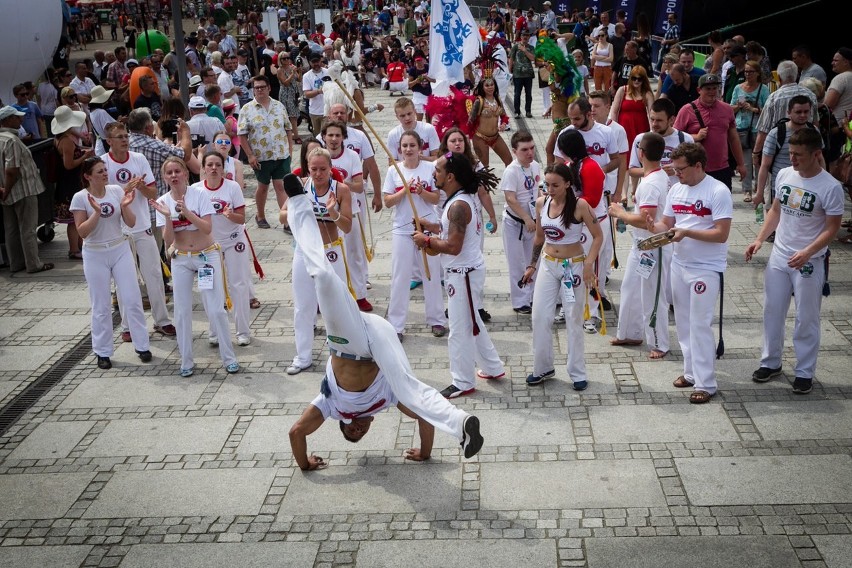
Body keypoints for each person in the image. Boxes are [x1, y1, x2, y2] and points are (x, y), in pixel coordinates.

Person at [283, 172, 484, 469]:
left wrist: (305, 464)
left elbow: (296, 432)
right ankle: (461, 424)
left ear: (343, 422)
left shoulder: (331, 404)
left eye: (351, 430)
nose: (358, 429)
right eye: (361, 433)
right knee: (412, 391)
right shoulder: (385, 398)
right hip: (379, 339)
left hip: (347, 338)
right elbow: (420, 415)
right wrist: (425, 453)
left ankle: (299, 202)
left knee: (323, 277)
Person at [745, 128, 843, 394]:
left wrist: (809, 252)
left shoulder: (830, 187)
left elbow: (832, 227)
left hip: (809, 262)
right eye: (790, 153)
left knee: (806, 318)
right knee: (772, 311)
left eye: (799, 155)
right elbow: (776, 210)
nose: (793, 160)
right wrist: (759, 239)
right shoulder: (786, 175)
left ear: (816, 154)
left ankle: (804, 371)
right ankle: (771, 361)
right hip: (779, 255)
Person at [412, 152, 506, 398]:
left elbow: (453, 245)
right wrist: (433, 227)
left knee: (459, 329)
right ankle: (492, 366)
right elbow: (451, 230)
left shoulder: (457, 206)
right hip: (466, 271)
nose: (434, 174)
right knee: (472, 321)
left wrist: (427, 239)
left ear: (450, 176)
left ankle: (462, 381)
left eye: (438, 171)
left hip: (462, 274)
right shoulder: (461, 199)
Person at [647, 143, 732, 404]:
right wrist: (654, 227)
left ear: (698, 166)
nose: (677, 173)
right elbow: (668, 224)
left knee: (699, 325)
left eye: (681, 169)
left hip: (705, 269)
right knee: (683, 324)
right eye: (674, 169)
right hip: (680, 265)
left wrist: (687, 232)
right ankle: (691, 372)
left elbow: (721, 234)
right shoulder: (676, 189)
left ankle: (707, 383)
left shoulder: (718, 191)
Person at [151, 157, 240, 377]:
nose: (173, 176)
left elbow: (207, 227)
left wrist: (187, 212)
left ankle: (229, 358)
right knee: (181, 312)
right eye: (169, 172)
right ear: (164, 177)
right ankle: (186, 360)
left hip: (206, 256)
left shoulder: (199, 195)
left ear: (185, 173)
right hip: (181, 258)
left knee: (216, 308)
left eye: (177, 171)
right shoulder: (163, 202)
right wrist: (168, 218)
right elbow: (169, 240)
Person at [521, 163, 602, 388]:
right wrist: (532, 265)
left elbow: (598, 236)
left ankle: (577, 373)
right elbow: (539, 237)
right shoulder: (541, 203)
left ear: (568, 184)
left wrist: (588, 265)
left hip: (573, 266)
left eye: (555, 185)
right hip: (548, 264)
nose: (550, 189)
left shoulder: (580, 206)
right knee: (539, 317)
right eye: (547, 184)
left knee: (573, 320)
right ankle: (543, 368)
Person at [71, 157, 151, 370]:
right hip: (95, 253)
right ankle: (103, 351)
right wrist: (96, 212)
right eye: (99, 172)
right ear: (88, 176)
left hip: (119, 248)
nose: (105, 174)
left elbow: (131, 222)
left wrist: (125, 206)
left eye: (105, 170)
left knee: (132, 298)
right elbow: (82, 232)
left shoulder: (116, 191)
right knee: (101, 305)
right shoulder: (80, 198)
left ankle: (142, 345)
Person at [281, 147, 353, 375]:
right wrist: (300, 209)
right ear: (307, 169)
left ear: (331, 169)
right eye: (314, 169)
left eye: (323, 169)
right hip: (304, 250)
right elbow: (282, 216)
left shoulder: (340, 190)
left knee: (336, 304)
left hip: (331, 251)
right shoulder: (300, 186)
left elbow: (348, 226)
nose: (319, 174)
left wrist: (333, 213)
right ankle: (302, 356)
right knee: (303, 306)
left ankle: (342, 353)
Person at [101, 121, 176, 341]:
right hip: (118, 231)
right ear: (109, 141)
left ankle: (162, 321)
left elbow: (152, 193)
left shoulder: (139, 159)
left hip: (142, 226)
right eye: (119, 137)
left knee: (154, 275)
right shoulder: (103, 163)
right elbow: (102, 198)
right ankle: (127, 326)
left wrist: (140, 186)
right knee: (125, 280)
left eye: (126, 136)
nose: (125, 140)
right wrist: (125, 190)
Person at [607, 132, 671, 359]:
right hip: (641, 244)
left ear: (640, 153)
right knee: (630, 289)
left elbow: (646, 218)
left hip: (654, 246)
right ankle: (630, 332)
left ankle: (660, 343)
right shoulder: (654, 177)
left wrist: (620, 213)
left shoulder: (651, 183)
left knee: (653, 296)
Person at [383, 131, 446, 340]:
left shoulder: (430, 168)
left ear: (420, 147)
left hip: (426, 226)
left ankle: (436, 319)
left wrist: (421, 192)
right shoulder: (394, 170)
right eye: (404, 146)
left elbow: (436, 198)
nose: (408, 149)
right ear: (400, 149)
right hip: (402, 229)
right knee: (400, 276)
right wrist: (405, 191)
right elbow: (388, 201)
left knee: (431, 274)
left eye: (412, 145)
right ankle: (396, 325)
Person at [320, 119, 373, 312]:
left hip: (350, 210)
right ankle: (326, 296)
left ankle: (359, 296)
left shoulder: (351, 156)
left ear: (344, 137)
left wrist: (340, 184)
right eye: (330, 135)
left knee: (355, 253)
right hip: (324, 213)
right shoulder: (319, 156)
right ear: (323, 137)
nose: (334, 139)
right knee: (327, 254)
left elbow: (359, 185)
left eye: (337, 135)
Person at [0, 106, 53, 273]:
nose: (20, 120)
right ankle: (33, 264)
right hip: (22, 189)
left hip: (5, 190)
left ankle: (16, 263)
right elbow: (12, 169)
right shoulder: (11, 140)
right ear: (7, 120)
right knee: (27, 228)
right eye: (16, 117)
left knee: (11, 229)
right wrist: (7, 189)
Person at [238, 74, 294, 229]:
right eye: (257, 88)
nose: (260, 90)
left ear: (269, 88)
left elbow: (288, 128)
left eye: (263, 87)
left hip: (281, 155)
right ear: (253, 90)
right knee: (263, 187)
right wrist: (249, 155)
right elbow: (242, 135)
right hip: (261, 157)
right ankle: (260, 215)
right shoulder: (247, 109)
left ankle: (287, 219)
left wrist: (289, 148)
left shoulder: (279, 106)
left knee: (281, 186)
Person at [674, 73, 746, 190]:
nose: (712, 92)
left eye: (715, 88)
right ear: (699, 90)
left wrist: (741, 164)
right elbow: (675, 137)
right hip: (696, 169)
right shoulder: (687, 110)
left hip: (722, 168)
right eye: (708, 89)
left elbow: (733, 138)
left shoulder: (727, 109)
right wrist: (695, 137)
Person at [754, 96, 824, 211]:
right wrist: (759, 193)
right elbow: (765, 165)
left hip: (808, 188)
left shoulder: (814, 131)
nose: (803, 115)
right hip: (781, 189)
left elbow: (820, 158)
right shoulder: (776, 133)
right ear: (789, 113)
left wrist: (822, 182)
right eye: (798, 112)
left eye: (806, 112)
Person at [499, 131, 540, 314]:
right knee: (516, 263)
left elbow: (537, 191)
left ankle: (534, 296)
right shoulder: (511, 171)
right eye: (524, 150)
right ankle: (520, 301)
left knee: (533, 261)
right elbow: (511, 198)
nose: (530, 153)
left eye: (532, 148)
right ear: (515, 151)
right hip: (515, 223)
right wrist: (525, 217)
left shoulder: (536, 166)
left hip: (532, 222)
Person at [53, 105, 94, 261]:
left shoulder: (60, 138)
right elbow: (69, 165)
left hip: (67, 183)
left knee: (75, 218)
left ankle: (78, 247)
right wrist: (86, 156)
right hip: (70, 184)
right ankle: (74, 249)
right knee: (73, 219)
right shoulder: (67, 142)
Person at [731, 61, 769, 202]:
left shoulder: (763, 89)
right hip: (742, 127)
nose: (748, 74)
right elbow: (731, 107)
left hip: (759, 128)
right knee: (746, 161)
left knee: (758, 161)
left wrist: (753, 109)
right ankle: (746, 190)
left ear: (758, 73)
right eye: (746, 71)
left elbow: (767, 109)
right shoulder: (738, 88)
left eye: (751, 71)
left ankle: (759, 189)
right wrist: (739, 106)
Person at [468, 78, 511, 167]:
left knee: (509, 161)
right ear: (482, 87)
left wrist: (503, 124)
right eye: (487, 85)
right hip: (480, 138)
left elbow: (504, 116)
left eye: (492, 85)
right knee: (484, 167)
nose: (490, 87)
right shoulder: (479, 101)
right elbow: (470, 121)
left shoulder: (497, 99)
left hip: (495, 137)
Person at [610, 65, 654, 152]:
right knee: (624, 150)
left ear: (644, 79)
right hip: (624, 127)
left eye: (639, 79)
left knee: (640, 151)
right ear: (630, 78)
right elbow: (614, 111)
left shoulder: (647, 94)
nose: (636, 81)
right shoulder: (622, 90)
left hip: (641, 127)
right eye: (634, 78)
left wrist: (653, 130)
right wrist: (614, 129)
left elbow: (652, 114)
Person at [509, 30, 535, 119]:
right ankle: (517, 112)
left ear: (529, 38)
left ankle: (528, 111)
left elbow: (532, 58)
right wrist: (509, 72)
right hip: (518, 74)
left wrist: (525, 50)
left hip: (528, 74)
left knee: (528, 94)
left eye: (527, 35)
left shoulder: (531, 47)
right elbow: (511, 59)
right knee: (517, 94)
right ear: (521, 36)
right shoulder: (515, 47)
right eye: (524, 35)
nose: (525, 37)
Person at [825, 47, 852, 126]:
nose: (832, 63)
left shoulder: (841, 78)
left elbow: (828, 106)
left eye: (835, 60)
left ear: (846, 62)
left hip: (840, 126)